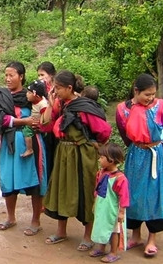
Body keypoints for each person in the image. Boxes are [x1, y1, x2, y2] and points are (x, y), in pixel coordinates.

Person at [39, 70, 112, 251]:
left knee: (85, 191)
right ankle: (61, 231)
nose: (55, 91)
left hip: (82, 154)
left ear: (69, 88)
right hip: (63, 152)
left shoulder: (83, 107)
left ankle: (87, 236)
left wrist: (96, 144)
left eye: (58, 88)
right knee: (61, 189)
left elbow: (104, 131)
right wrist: (50, 103)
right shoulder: (60, 104)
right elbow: (45, 124)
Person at [115, 73, 163, 258]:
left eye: (153, 94)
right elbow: (124, 134)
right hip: (136, 155)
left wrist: (162, 147)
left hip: (156, 155)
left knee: (154, 195)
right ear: (136, 91)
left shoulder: (159, 106)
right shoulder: (122, 110)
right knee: (133, 193)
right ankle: (136, 235)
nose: (150, 98)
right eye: (147, 94)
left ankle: (152, 239)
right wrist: (137, 146)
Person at [0, 61, 47, 236]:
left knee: (36, 181)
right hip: (8, 143)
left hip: (32, 142)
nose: (8, 78)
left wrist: (39, 125)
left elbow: (45, 114)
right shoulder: (0, 95)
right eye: (6, 75)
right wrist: (22, 121)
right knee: (8, 180)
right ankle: (11, 217)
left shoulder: (31, 95)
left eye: (11, 75)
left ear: (21, 76)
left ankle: (36, 221)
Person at [89, 143, 130, 263]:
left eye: (101, 157)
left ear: (111, 160)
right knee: (101, 226)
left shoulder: (120, 178)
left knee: (114, 230)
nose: (99, 159)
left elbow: (124, 197)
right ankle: (101, 248)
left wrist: (121, 212)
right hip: (102, 207)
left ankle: (113, 252)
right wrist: (95, 202)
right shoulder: (101, 173)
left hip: (113, 210)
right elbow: (97, 188)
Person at [36, 61, 58, 178]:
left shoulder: (56, 90)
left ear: (51, 75)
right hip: (43, 130)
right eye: (38, 75)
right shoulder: (38, 90)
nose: (40, 78)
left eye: (42, 75)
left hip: (54, 131)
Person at [22, 79, 49, 158]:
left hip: (35, 124)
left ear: (36, 96)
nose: (27, 94)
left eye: (29, 93)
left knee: (26, 131)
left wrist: (40, 125)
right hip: (34, 121)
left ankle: (29, 149)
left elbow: (45, 116)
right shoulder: (36, 100)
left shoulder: (43, 105)